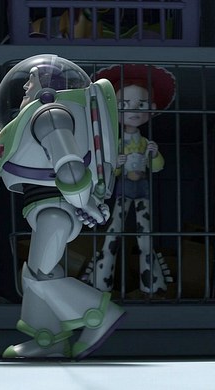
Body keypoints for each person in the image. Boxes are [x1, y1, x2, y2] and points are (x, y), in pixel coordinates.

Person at [0, 54, 125, 359]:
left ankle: (98, 313)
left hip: (56, 209)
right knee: (41, 274)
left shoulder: (50, 115)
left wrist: (84, 202)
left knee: (38, 275)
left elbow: (70, 167)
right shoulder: (47, 114)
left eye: (31, 81)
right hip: (50, 209)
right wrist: (85, 202)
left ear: (47, 87)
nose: (25, 87)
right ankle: (48, 340)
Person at [82, 64, 176, 295]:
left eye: (141, 105)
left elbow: (157, 167)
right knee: (114, 230)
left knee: (145, 234)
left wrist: (154, 154)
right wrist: (117, 164)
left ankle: (152, 283)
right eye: (124, 104)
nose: (134, 110)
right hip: (123, 189)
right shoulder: (115, 143)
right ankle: (100, 280)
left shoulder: (145, 143)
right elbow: (109, 172)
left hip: (142, 189)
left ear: (152, 109)